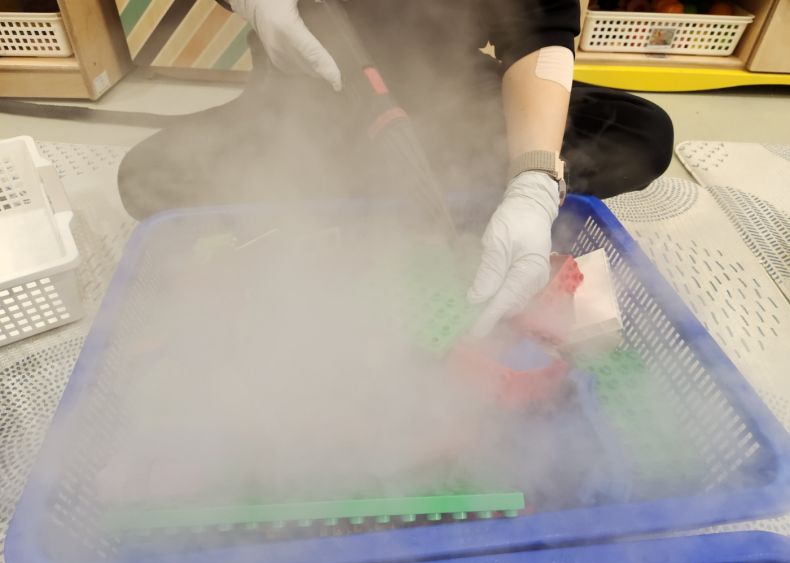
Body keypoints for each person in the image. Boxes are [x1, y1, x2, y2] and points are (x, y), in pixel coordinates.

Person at [118, 0, 673, 336]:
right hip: (309, 89)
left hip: (452, 94)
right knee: (148, 178)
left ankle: (380, 203)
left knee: (639, 136)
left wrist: (533, 181)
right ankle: (412, 200)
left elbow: (538, 33)